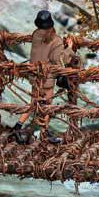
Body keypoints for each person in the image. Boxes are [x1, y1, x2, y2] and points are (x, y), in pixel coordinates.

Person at [11, 10, 75, 144]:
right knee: (46, 106)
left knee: (33, 103)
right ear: (51, 23)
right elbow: (59, 59)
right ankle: (44, 134)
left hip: (34, 75)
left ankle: (16, 128)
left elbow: (45, 49)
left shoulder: (35, 35)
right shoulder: (56, 40)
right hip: (47, 79)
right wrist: (69, 48)